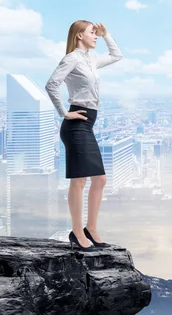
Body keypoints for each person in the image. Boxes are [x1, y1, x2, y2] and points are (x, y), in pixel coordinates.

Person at [45, 20, 123, 252]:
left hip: (88, 124)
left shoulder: (90, 60)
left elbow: (117, 55)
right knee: (79, 181)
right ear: (79, 35)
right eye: (92, 32)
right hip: (76, 124)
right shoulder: (72, 58)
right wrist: (64, 113)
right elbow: (51, 85)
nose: (95, 35)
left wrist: (107, 34)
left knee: (99, 179)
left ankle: (91, 228)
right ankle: (77, 232)